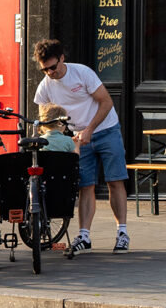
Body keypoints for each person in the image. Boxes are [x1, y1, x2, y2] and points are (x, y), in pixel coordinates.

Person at [32, 39, 130, 254]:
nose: (50, 73)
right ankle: (84, 236)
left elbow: (106, 102)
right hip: (78, 137)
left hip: (106, 129)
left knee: (115, 181)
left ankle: (122, 233)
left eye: (53, 67)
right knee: (86, 186)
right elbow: (44, 118)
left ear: (62, 59)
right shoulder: (45, 88)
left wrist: (90, 130)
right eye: (44, 69)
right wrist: (59, 137)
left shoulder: (81, 73)